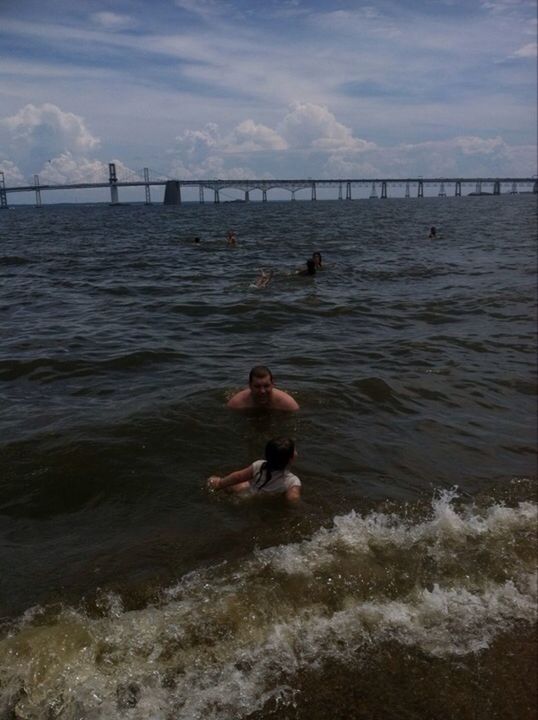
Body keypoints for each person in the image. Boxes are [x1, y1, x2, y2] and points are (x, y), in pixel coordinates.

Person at [207, 437, 301, 501]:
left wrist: (220, 483)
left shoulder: (259, 465)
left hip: (247, 492)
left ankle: (215, 484)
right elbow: (293, 498)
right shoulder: (292, 481)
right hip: (263, 501)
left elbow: (238, 476)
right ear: (291, 458)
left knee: (242, 485)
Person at [227, 365, 299, 411]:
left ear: (272, 384)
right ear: (250, 386)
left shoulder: (288, 404)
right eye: (257, 386)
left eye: (266, 386)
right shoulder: (236, 403)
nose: (262, 391)